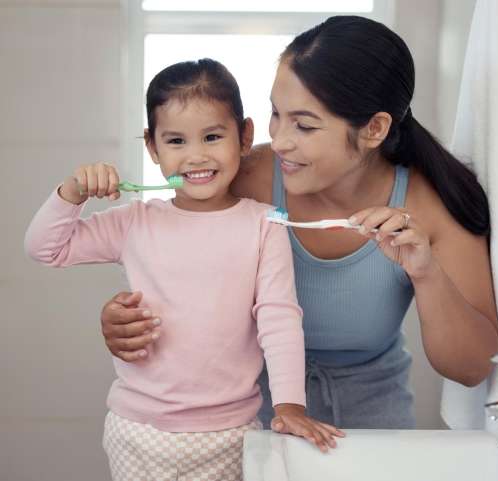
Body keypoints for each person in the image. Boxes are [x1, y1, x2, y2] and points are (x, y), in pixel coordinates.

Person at [100, 16, 498, 431]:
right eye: (277, 114)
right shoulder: (248, 178)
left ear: (374, 129)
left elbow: (471, 369)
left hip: (370, 424)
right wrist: (123, 320)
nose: (280, 140)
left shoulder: (433, 207)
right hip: (245, 415)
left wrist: (426, 271)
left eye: (304, 125)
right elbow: (165, 253)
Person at [24, 58, 343, 481]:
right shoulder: (133, 221)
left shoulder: (264, 224)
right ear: (152, 148)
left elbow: (279, 317)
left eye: (212, 136)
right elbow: (45, 248)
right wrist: (72, 193)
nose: (196, 156)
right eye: (175, 141)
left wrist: (288, 406)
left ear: (244, 137)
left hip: (230, 435)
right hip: (136, 431)